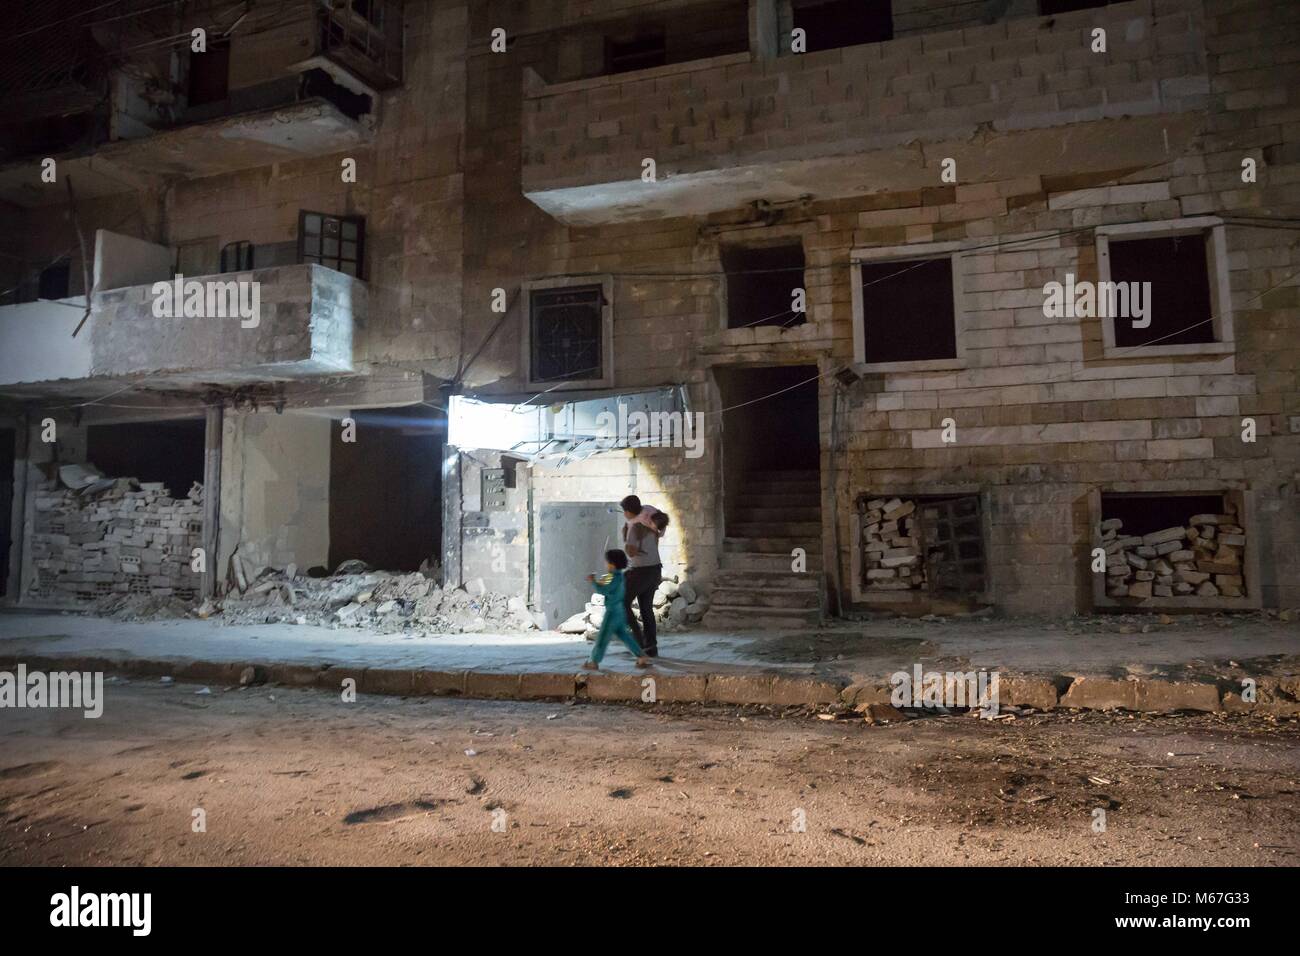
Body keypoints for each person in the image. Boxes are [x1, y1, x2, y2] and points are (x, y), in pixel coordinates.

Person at [582, 549, 651, 671]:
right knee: (625, 636)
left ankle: (593, 661)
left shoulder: (614, 578)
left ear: (612, 564)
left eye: (607, 562)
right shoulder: (619, 576)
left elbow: (604, 590)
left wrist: (593, 582)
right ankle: (641, 656)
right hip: (620, 611)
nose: (605, 565)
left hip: (612, 613)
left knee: (603, 637)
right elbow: (609, 587)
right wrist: (600, 582)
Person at [619, 494, 665, 657]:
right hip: (655, 569)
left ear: (630, 511)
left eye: (624, 511)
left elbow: (631, 552)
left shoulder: (634, 526)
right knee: (646, 609)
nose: (624, 514)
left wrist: (625, 541)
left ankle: (639, 643)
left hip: (641, 571)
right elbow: (662, 525)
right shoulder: (650, 516)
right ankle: (651, 647)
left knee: (622, 602)